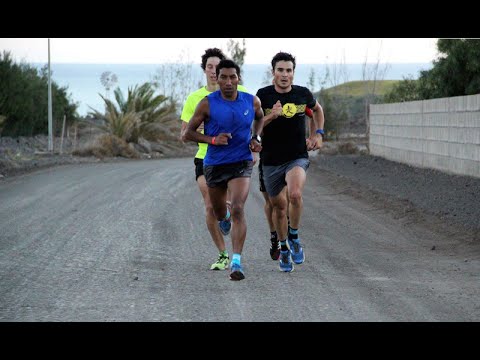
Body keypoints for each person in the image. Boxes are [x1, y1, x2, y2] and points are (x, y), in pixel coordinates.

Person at [183, 59, 265, 281]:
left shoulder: (251, 101)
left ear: (239, 79)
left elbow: (260, 119)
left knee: (238, 207)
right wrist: (211, 139)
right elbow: (187, 134)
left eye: (233, 77)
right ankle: (225, 216)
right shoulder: (207, 103)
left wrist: (256, 137)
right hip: (214, 164)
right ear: (216, 79)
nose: (228, 82)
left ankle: (236, 261)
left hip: (241, 162)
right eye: (224, 77)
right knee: (220, 213)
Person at [256, 52, 325, 272]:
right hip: (271, 160)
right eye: (280, 70)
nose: (285, 75)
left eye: (289, 70)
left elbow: (317, 110)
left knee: (295, 194)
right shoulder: (262, 96)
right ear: (273, 72)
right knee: (279, 207)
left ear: (293, 73)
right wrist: (271, 116)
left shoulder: (302, 94)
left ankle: (294, 236)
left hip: (297, 157)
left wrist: (318, 134)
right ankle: (284, 248)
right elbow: (253, 125)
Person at [258, 106, 317, 261]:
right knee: (272, 203)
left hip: (292, 157)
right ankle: (275, 240)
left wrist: (314, 136)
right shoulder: (263, 99)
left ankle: (290, 235)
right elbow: (253, 126)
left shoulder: (296, 99)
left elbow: (314, 113)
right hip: (269, 159)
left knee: (292, 197)